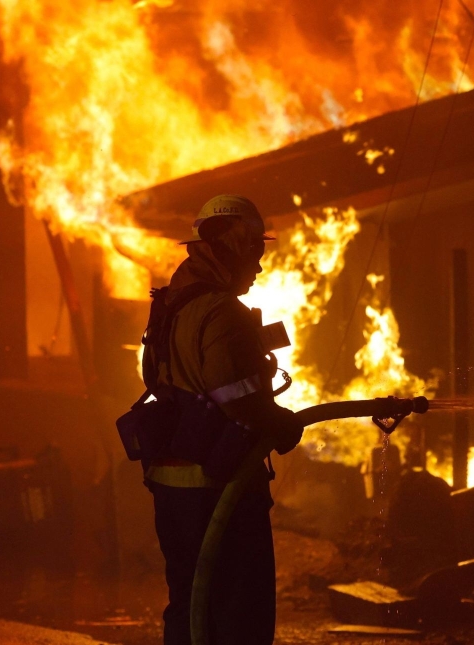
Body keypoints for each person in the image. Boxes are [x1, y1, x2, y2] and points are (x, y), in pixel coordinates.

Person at [140, 194, 304, 645]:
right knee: (240, 615)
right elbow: (235, 398)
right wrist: (280, 422)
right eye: (253, 251)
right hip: (220, 492)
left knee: (192, 606)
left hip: (172, 490)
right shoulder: (222, 313)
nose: (259, 266)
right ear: (228, 244)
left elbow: (155, 377)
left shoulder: (170, 303)